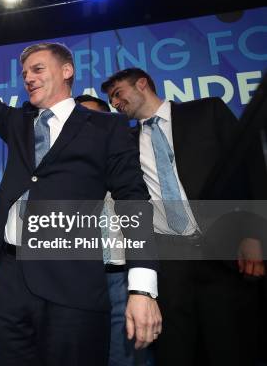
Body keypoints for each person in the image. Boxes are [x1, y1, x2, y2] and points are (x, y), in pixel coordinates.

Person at [0, 0, 161, 366]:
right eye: (24, 73)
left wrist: (142, 286)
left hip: (74, 279)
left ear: (67, 70)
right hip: (12, 279)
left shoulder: (107, 127)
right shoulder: (18, 122)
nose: (28, 78)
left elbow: (133, 202)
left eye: (38, 69)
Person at [102, 67, 265, 366]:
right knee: (176, 351)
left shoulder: (207, 111)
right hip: (168, 261)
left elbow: (250, 165)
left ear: (142, 84)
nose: (115, 102)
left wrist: (254, 234)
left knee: (230, 347)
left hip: (223, 252)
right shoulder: (123, 142)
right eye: (111, 99)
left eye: (118, 93)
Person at [76, 94, 149, 366]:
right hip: (78, 277)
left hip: (122, 274)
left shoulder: (129, 158)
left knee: (124, 357)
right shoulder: (60, 168)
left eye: (91, 119)